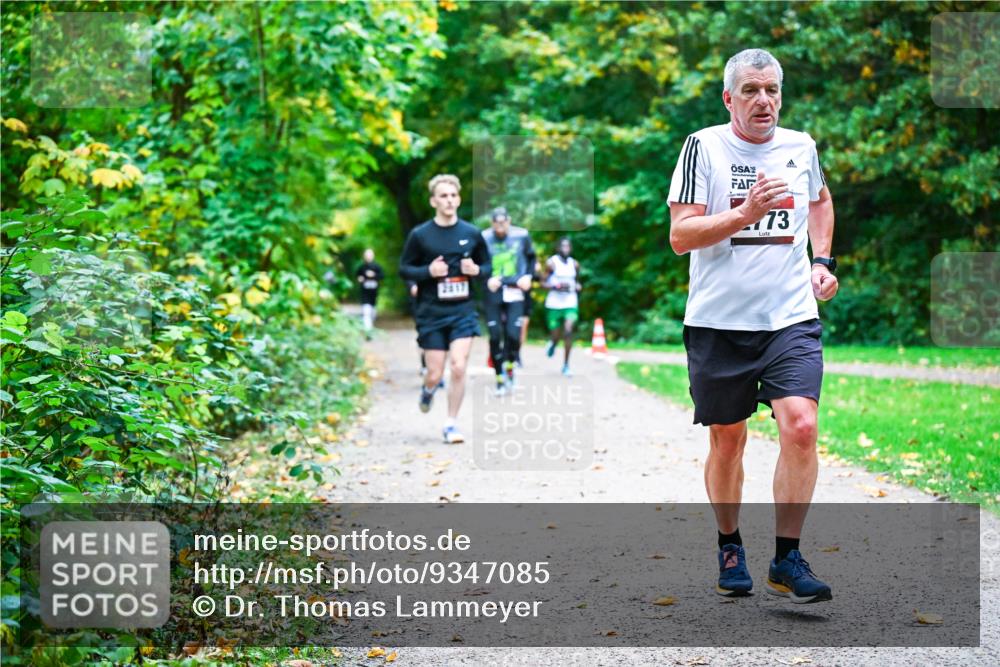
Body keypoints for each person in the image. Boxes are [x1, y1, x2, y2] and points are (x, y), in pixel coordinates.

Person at [667, 48, 839, 603]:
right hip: (719, 322)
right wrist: (744, 213)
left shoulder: (801, 147)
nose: (763, 100)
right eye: (751, 91)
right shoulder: (704, 146)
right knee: (728, 441)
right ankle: (729, 544)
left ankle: (787, 558)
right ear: (729, 98)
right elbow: (681, 235)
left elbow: (820, 200)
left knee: (801, 427)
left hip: (788, 316)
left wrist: (823, 261)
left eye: (772, 90)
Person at [399, 174, 491, 444]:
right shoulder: (420, 235)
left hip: (462, 310)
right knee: (436, 373)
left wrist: (475, 270)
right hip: (431, 312)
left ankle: (451, 423)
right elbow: (404, 268)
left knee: (459, 366)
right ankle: (428, 390)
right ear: (433, 201)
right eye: (443, 196)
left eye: (453, 195)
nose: (449, 200)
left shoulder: (472, 233)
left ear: (459, 199)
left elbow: (487, 267)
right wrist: (429, 271)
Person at [481, 207, 536, 394]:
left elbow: (532, 258)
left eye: (503, 222)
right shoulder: (484, 238)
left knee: (513, 335)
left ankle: (510, 365)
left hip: (515, 290)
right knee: (495, 335)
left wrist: (528, 276)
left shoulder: (522, 236)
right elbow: (476, 264)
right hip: (494, 291)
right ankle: (499, 377)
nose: (500, 226)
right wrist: (486, 279)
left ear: (509, 221)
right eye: (496, 223)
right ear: (491, 223)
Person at [543, 237, 581, 376]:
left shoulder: (575, 264)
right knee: (556, 334)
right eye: (563, 246)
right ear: (558, 248)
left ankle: (566, 365)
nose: (565, 249)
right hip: (554, 303)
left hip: (570, 302)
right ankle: (553, 343)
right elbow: (542, 283)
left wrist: (577, 286)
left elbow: (577, 282)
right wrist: (556, 286)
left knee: (568, 330)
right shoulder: (551, 263)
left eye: (568, 247)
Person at [356, 248, 384, 333]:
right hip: (364, 292)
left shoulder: (377, 266)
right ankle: (368, 330)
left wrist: (374, 275)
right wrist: (360, 279)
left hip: (374, 292)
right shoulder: (361, 267)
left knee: (372, 312)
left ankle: (370, 327)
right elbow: (357, 276)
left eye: (370, 255)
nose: (368, 256)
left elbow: (382, 276)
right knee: (366, 311)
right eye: (367, 255)